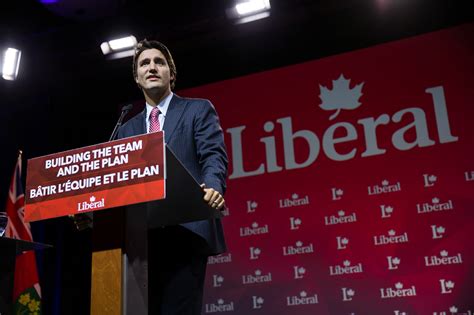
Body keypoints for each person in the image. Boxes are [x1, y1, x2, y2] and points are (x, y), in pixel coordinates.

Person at [116, 39, 228, 315]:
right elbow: (118, 181)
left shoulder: (198, 110)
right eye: (144, 63)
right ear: (137, 78)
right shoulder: (125, 128)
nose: (152, 67)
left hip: (186, 231)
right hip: (141, 239)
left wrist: (213, 188)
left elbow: (213, 156)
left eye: (159, 62)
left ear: (171, 74)